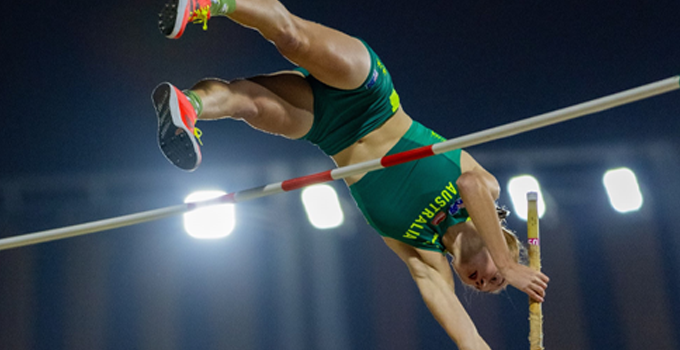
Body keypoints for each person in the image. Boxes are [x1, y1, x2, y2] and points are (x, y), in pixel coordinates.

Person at [152, 0, 550, 348]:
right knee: (292, 37)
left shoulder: (424, 255)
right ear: (503, 242)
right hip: (368, 95)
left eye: (486, 287)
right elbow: (471, 184)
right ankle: (212, 2)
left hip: (325, 128)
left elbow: (468, 339)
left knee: (246, 102)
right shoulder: (482, 187)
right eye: (497, 280)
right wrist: (511, 266)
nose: (487, 285)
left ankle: (189, 106)